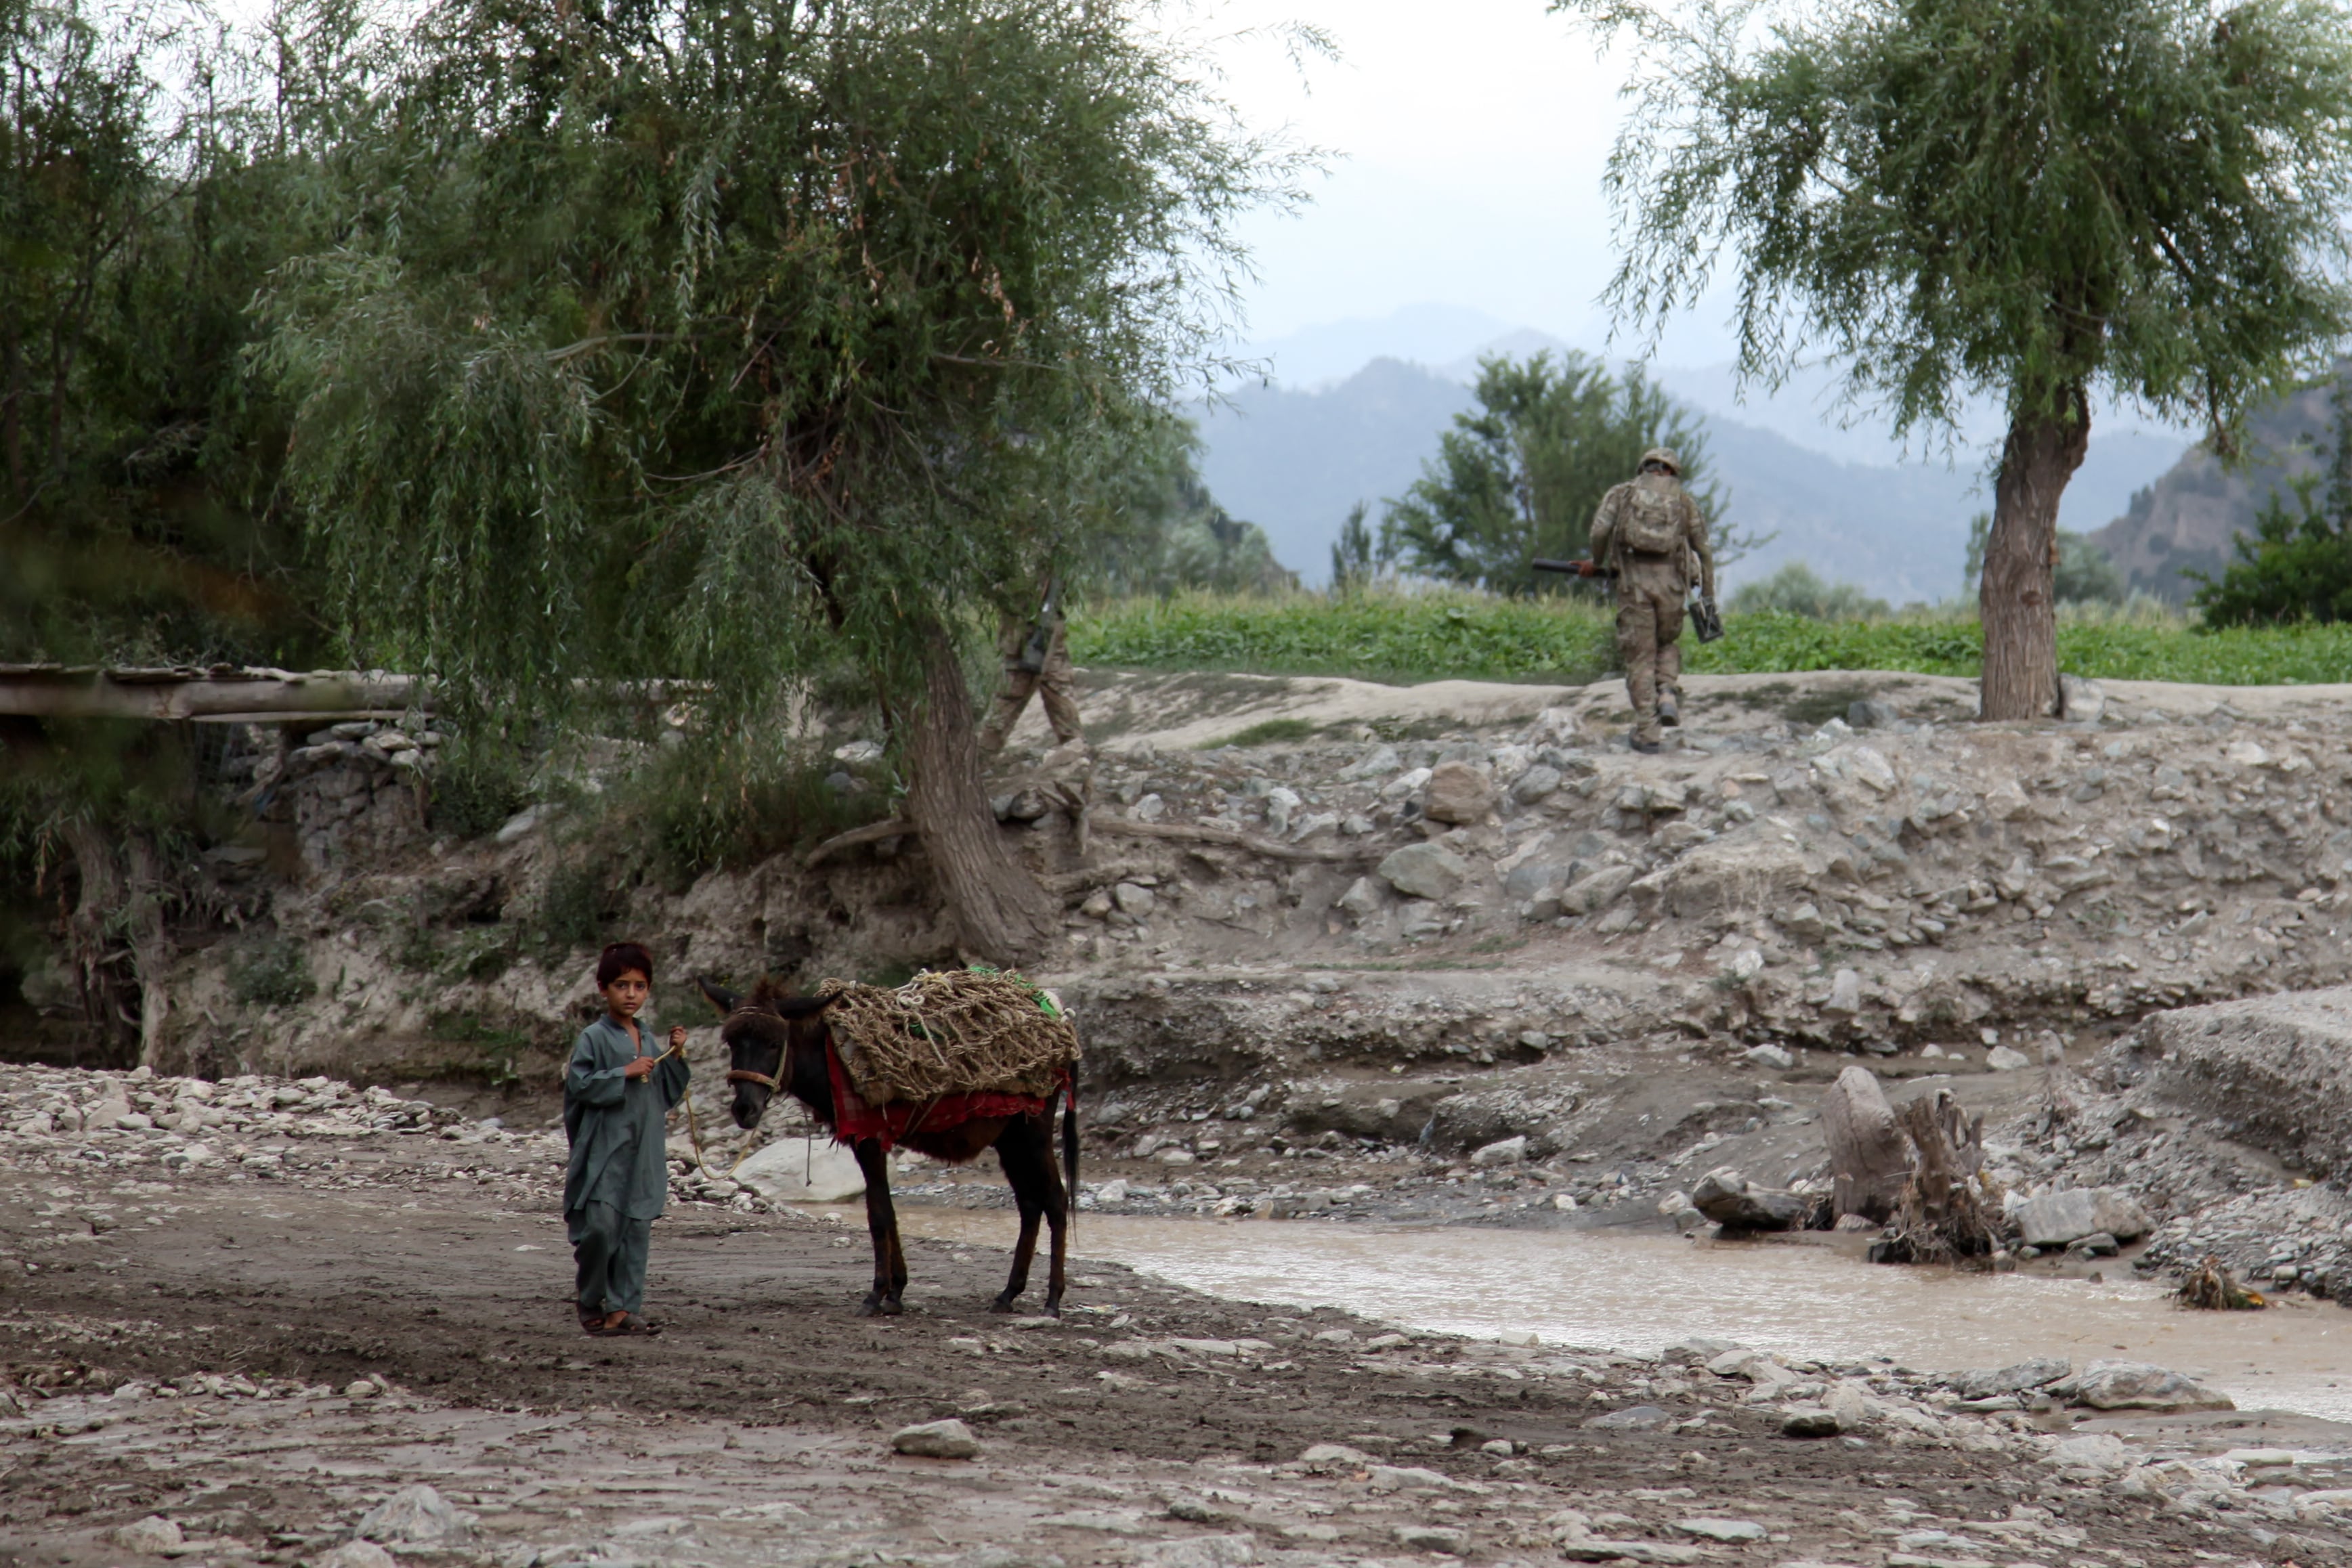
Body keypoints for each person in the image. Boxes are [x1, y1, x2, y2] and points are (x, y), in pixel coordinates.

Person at [563, 941, 689, 1336]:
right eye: (621, 985)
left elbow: (665, 1092)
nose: (630, 994)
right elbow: (580, 1085)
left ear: (648, 990)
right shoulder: (594, 1038)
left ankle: (622, 1309)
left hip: (644, 1149)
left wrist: (677, 1055)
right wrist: (624, 1072)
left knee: (636, 1228)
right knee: (600, 1226)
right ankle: (590, 1300)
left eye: (639, 986)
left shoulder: (649, 1039)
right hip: (605, 1149)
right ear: (603, 989)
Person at [1587, 447, 1717, 754]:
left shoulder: (1622, 494)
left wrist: (1596, 560)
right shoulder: (1684, 502)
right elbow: (1705, 551)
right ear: (1675, 472)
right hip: (1673, 589)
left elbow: (1600, 531)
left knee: (1640, 657)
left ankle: (1647, 731)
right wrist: (1708, 597)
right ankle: (1668, 692)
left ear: (1641, 468)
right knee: (1667, 644)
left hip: (1635, 588)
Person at [977, 575, 1084, 756]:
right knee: (1008, 702)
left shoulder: (1051, 557)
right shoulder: (1019, 556)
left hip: (1047, 631)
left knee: (1062, 703)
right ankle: (978, 764)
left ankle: (1078, 765)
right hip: (1022, 634)